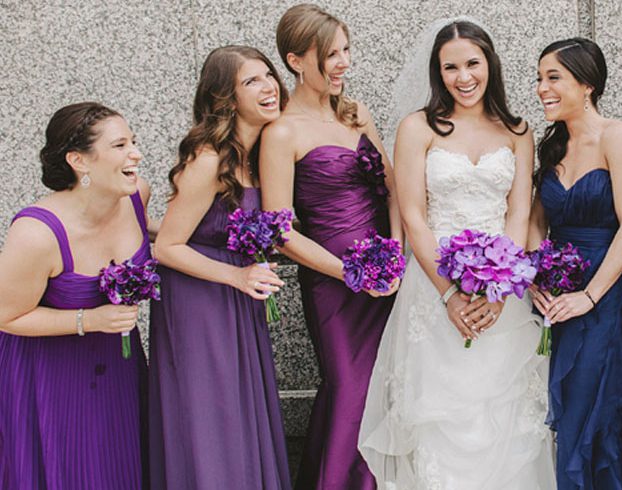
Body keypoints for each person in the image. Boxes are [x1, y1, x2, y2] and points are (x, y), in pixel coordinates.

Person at [358, 18, 555, 489]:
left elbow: (517, 211)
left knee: (507, 414)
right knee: (443, 415)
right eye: (450, 67)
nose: (463, 77)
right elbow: (414, 215)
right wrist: (448, 295)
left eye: (472, 63)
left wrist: (502, 289)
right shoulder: (417, 127)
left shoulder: (517, 129)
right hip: (435, 288)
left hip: (502, 293)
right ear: (437, 71)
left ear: (490, 64)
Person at [262, 5, 401, 488]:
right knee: (349, 390)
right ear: (296, 60)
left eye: (345, 51)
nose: (342, 62)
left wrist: (396, 256)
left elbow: (393, 185)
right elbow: (280, 230)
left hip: (390, 277)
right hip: (332, 284)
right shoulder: (281, 132)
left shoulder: (356, 113)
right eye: (330, 54)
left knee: (388, 389)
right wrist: (352, 273)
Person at [150, 45, 291, 489]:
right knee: (213, 419)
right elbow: (168, 247)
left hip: (237, 297)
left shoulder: (257, 154)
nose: (269, 86)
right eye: (252, 81)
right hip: (200, 299)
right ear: (225, 98)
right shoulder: (209, 158)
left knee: (239, 410)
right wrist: (237, 274)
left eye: (269, 75)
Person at [0, 101, 151, 490]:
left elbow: (166, 241)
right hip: (48, 376)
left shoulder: (136, 198)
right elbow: (6, 316)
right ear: (78, 161)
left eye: (133, 141)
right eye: (120, 146)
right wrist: (89, 320)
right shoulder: (37, 233)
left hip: (118, 369)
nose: (136, 152)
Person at [528, 37, 622, 490]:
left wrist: (589, 295)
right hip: (555, 296)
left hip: (601, 293)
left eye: (553, 77)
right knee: (562, 409)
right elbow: (537, 220)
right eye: (539, 78)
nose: (542, 88)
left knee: (591, 406)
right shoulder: (553, 144)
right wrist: (538, 274)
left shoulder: (617, 136)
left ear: (587, 84)